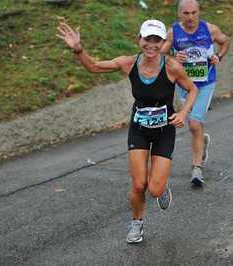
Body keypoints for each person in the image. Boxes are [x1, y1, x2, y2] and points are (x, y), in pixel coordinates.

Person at [56, 19, 198, 244]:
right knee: (139, 184)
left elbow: (192, 89)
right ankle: (137, 222)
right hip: (139, 130)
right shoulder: (129, 63)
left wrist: (183, 113)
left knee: (154, 189)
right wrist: (78, 49)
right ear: (139, 40)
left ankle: (161, 187)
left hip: (164, 132)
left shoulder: (172, 67)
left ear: (163, 42)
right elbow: (93, 67)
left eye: (157, 40)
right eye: (147, 39)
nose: (151, 44)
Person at [161, 0, 230, 184]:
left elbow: (225, 42)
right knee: (195, 126)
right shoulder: (173, 32)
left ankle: (196, 169)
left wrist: (219, 56)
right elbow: (160, 55)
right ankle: (202, 142)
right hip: (184, 84)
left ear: (198, 12)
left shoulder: (210, 29)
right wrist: (175, 58)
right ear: (179, 14)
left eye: (193, 13)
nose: (190, 17)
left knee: (193, 124)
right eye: (186, 13)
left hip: (205, 82)